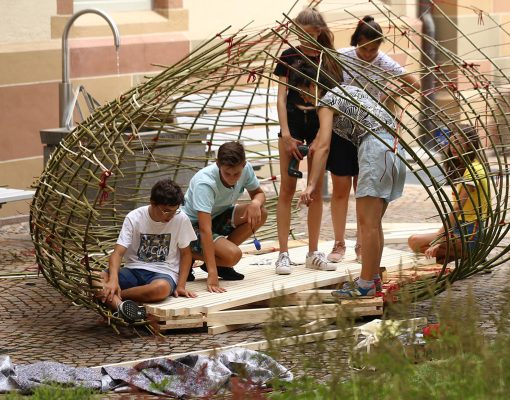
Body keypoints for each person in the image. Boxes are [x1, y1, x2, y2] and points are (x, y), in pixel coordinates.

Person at [292, 61, 406, 299]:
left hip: (375, 149)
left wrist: (312, 184)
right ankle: (372, 278)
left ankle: (365, 285)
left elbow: (322, 147)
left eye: (303, 92)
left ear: (312, 85)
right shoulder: (349, 90)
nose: (305, 99)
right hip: (393, 147)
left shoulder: (327, 100)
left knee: (368, 224)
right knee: (374, 223)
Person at [325, 15, 421, 263]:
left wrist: (390, 93)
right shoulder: (343, 56)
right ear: (357, 42)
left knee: (364, 191)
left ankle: (361, 243)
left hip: (368, 134)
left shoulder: (383, 61)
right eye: (365, 48)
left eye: (374, 49)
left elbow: (414, 83)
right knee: (340, 190)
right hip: (341, 131)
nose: (369, 54)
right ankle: (338, 244)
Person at [273, 7, 343, 275]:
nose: (304, 39)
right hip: (291, 120)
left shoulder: (329, 59)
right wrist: (286, 133)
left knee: (314, 191)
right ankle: (283, 254)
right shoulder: (289, 57)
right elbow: (280, 98)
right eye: (300, 33)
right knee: (287, 189)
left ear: (319, 32)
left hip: (319, 122)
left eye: (309, 34)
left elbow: (331, 101)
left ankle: (313, 251)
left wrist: (318, 139)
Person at [98, 179, 198, 322]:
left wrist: (181, 285)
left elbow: (186, 254)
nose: (170, 216)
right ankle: (121, 307)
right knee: (94, 277)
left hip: (163, 273)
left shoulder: (181, 219)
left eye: (174, 211)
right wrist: (113, 280)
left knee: (160, 289)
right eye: (166, 211)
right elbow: (117, 253)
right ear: (152, 203)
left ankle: (115, 298)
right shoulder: (134, 217)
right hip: (133, 270)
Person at [181, 141, 267, 293]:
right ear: (218, 164)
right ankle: (187, 254)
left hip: (218, 215)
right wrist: (212, 274)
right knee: (233, 255)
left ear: (244, 164)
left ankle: (218, 262)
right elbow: (205, 228)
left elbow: (259, 193)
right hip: (191, 226)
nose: (232, 178)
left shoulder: (246, 169)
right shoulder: (205, 183)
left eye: (237, 174)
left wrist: (255, 203)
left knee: (261, 212)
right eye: (227, 173)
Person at [408, 126, 490, 263]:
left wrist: (439, 239)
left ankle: (473, 253)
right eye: (451, 142)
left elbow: (457, 208)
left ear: (469, 146)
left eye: (458, 142)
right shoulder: (464, 168)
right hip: (459, 228)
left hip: (471, 231)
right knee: (414, 242)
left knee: (424, 245)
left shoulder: (474, 170)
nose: (452, 146)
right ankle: (463, 255)